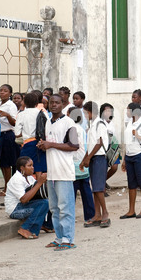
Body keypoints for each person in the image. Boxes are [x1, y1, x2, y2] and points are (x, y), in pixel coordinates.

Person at [37, 94, 79, 251]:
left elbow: (74, 145)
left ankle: (68, 239)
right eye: (51, 103)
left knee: (65, 207)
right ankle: (59, 237)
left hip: (64, 172)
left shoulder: (69, 123)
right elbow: (51, 144)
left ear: (63, 105)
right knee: (54, 208)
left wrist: (51, 144)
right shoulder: (48, 122)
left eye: (57, 103)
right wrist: (44, 145)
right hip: (52, 172)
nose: (53, 105)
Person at [80, 101, 111, 228]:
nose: (85, 116)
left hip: (99, 158)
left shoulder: (100, 124)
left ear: (90, 112)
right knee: (95, 189)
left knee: (99, 188)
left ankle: (105, 213)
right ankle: (97, 214)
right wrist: (84, 159)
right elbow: (91, 144)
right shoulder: (92, 125)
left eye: (86, 113)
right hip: (93, 158)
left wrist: (89, 157)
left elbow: (99, 143)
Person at [4, 156, 49, 239]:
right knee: (44, 204)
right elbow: (24, 200)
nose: (32, 168)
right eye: (29, 166)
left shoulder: (29, 177)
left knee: (48, 200)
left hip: (24, 205)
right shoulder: (16, 179)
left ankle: (47, 225)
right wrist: (39, 183)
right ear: (22, 168)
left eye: (32, 165)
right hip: (15, 209)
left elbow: (36, 193)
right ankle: (26, 229)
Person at [68, 106, 95, 222]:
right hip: (81, 162)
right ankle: (90, 215)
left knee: (71, 192)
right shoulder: (81, 129)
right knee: (86, 191)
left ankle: (69, 216)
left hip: (74, 163)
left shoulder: (72, 129)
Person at [14, 92, 48, 181]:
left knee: (26, 166)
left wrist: (25, 131)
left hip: (27, 143)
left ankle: (28, 186)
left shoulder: (21, 114)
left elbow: (17, 133)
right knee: (39, 166)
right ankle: (40, 189)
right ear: (37, 103)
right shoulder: (42, 113)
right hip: (41, 143)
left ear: (24, 103)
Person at [0, 84, 19, 196]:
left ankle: (8, 188)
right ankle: (6, 186)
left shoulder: (11, 106)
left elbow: (14, 122)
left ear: (10, 94)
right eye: (1, 90)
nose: (2, 92)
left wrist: (7, 115)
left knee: (7, 163)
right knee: (2, 163)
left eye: (5, 91)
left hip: (8, 134)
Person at [100, 103, 120, 193]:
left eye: (110, 111)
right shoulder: (99, 123)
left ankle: (103, 181)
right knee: (103, 168)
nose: (109, 113)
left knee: (115, 167)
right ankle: (102, 188)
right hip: (103, 148)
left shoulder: (111, 123)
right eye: (106, 111)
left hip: (112, 148)